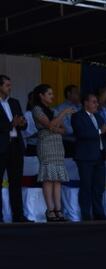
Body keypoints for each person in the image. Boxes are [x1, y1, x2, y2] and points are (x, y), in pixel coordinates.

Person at [31, 84, 73, 222]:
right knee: (48, 177)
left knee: (57, 178)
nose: (52, 96)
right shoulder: (37, 109)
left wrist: (54, 126)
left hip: (57, 145)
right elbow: (50, 125)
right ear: (41, 96)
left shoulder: (53, 110)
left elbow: (64, 130)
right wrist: (63, 114)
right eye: (49, 94)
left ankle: (58, 210)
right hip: (46, 145)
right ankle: (50, 210)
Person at [72, 92, 106, 221]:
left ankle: (98, 213)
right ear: (86, 103)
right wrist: (101, 131)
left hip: (99, 156)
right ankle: (86, 214)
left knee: (99, 187)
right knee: (86, 186)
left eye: (97, 102)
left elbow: (103, 134)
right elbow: (82, 134)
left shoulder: (98, 117)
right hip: (85, 157)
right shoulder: (77, 116)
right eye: (94, 101)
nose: (97, 104)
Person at [0, 74, 29, 223]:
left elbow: (24, 124)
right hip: (1, 147)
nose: (10, 88)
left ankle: (18, 215)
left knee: (16, 182)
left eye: (10, 85)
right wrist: (12, 123)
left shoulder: (14, 102)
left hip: (16, 146)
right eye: (7, 85)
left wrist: (22, 122)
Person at [54, 84, 81, 158]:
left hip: (81, 142)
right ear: (69, 94)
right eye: (76, 92)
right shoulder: (61, 108)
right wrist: (81, 130)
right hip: (68, 142)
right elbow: (66, 129)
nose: (79, 94)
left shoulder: (81, 107)